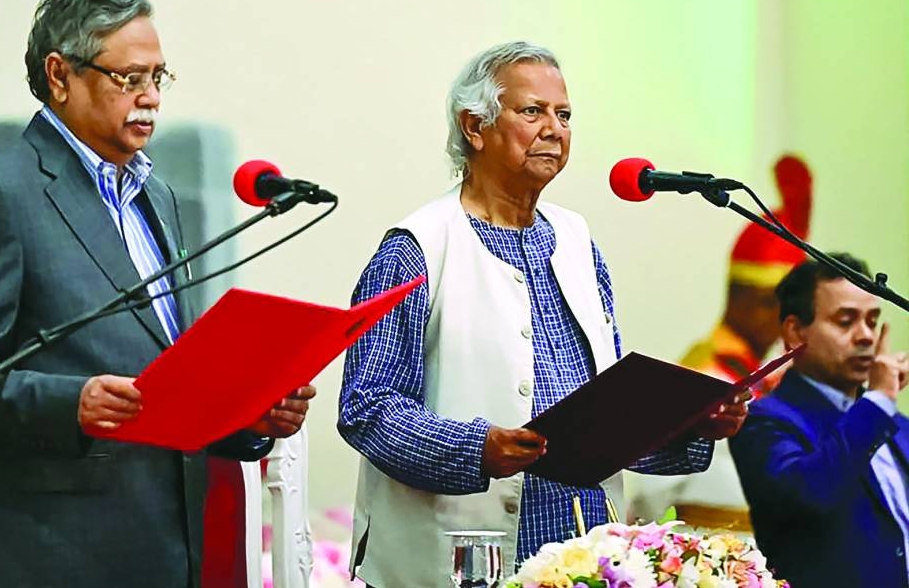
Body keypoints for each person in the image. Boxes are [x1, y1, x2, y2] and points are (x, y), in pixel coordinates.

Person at [0, 0, 315, 588]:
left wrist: (245, 418)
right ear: (60, 75)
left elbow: (159, 375)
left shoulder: (156, 195)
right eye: (129, 78)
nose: (151, 97)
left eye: (159, 77)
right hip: (54, 555)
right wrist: (69, 404)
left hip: (163, 546)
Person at [337, 41, 748, 587]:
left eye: (565, 114)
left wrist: (694, 428)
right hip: (460, 561)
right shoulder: (418, 248)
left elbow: (610, 419)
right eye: (532, 111)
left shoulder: (578, 242)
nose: (554, 128)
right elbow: (367, 409)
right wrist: (476, 448)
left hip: (583, 557)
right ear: (474, 127)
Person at [626, 155, 813, 529]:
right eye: (768, 304)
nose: (779, 321)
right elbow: (650, 491)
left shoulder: (776, 378)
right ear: (738, 298)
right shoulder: (705, 374)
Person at [729, 254, 909, 588]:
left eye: (871, 321)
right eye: (845, 321)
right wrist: (878, 401)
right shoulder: (765, 421)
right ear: (796, 332)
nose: (866, 336)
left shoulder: (896, 424)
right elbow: (809, 494)